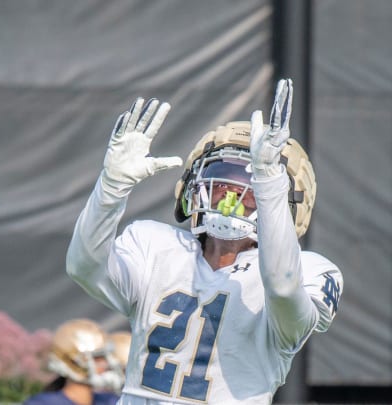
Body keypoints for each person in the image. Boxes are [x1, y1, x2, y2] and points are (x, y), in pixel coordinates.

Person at [66, 79, 343, 404]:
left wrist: (268, 177)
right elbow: (83, 267)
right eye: (222, 182)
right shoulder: (155, 244)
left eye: (251, 187)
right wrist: (111, 187)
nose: (233, 198)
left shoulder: (311, 271)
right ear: (195, 186)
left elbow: (282, 287)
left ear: (285, 200)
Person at [24, 318, 121, 405]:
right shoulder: (42, 403)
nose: (106, 364)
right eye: (97, 358)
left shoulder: (110, 400)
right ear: (73, 361)